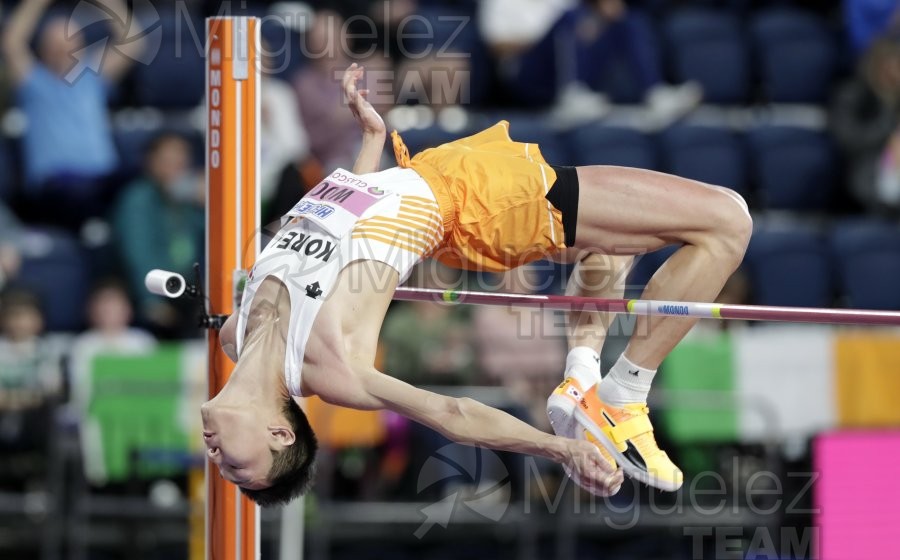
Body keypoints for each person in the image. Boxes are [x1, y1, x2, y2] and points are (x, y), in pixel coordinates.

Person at [201, 64, 752, 506]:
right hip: (478, 204)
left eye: (227, 469)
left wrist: (369, 142)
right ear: (281, 434)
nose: (218, 462)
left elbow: (344, 222)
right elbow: (452, 415)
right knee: (728, 221)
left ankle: (583, 378)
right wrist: (559, 449)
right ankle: (624, 396)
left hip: (444, 178)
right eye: (238, 469)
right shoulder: (333, 370)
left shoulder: (234, 333)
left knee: (621, 236)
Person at [1, 0, 146, 227]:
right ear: (42, 48)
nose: (62, 50)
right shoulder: (33, 82)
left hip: (103, 180)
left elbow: (134, 43)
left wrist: (106, 3)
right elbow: (11, 43)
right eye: (55, 44)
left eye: (70, 43)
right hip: (57, 186)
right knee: (78, 195)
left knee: (144, 184)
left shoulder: (91, 76)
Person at [112, 132, 204, 335]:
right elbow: (137, 254)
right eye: (166, 162)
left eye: (180, 163)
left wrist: (213, 203)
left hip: (187, 290)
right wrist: (150, 300)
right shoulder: (137, 200)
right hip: (151, 291)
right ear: (150, 162)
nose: (174, 169)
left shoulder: (190, 201)